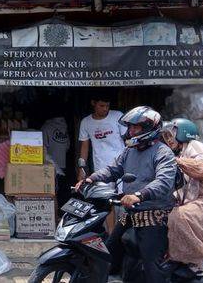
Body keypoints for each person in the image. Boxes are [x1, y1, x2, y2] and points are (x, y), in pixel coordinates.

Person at [75, 106, 177, 283]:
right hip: (130, 214)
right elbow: (113, 169)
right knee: (109, 250)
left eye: (135, 127)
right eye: (130, 127)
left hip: (154, 215)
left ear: (148, 128)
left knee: (152, 267)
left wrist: (139, 195)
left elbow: (163, 182)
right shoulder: (130, 151)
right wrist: (91, 179)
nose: (130, 131)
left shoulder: (163, 153)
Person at [161, 118, 203, 271]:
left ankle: (190, 262)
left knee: (179, 216)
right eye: (166, 137)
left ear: (183, 133)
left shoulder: (194, 146)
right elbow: (187, 187)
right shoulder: (183, 153)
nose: (169, 140)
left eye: (171, 135)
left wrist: (178, 161)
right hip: (201, 200)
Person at [77, 93, 126, 231]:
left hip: (121, 166)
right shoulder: (86, 122)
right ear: (93, 103)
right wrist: (81, 169)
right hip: (101, 169)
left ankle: (121, 232)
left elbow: (127, 140)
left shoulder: (117, 116)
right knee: (106, 201)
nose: (105, 109)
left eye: (107, 106)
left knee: (123, 201)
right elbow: (85, 147)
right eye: (102, 106)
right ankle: (111, 234)